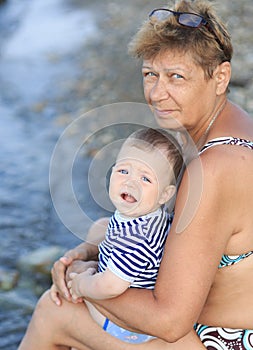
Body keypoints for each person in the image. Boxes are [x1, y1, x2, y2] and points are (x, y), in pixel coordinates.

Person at [18, 0, 253, 349]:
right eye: (150, 74)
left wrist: (86, 285)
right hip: (206, 327)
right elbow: (152, 233)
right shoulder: (230, 126)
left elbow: (170, 322)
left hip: (224, 340)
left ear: (220, 77)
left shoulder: (215, 166)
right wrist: (85, 253)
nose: (157, 94)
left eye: (176, 76)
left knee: (57, 311)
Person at [67, 127, 183, 344]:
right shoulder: (151, 215)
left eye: (145, 179)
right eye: (123, 171)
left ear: (165, 194)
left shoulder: (136, 237)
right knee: (98, 232)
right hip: (133, 308)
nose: (130, 182)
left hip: (125, 327)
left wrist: (83, 285)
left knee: (71, 291)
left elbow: (111, 287)